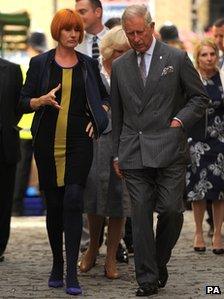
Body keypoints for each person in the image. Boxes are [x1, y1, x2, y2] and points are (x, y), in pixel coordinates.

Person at [111, 5, 209, 297]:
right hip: (133, 150)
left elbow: (199, 98)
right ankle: (147, 279)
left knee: (170, 211)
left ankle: (157, 261)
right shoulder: (120, 65)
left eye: (140, 32)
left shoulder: (176, 58)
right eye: (130, 34)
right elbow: (117, 113)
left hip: (169, 147)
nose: (136, 38)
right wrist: (116, 153)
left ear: (151, 27)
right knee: (140, 216)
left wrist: (180, 120)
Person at [19, 8, 109, 296]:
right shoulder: (40, 63)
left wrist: (99, 119)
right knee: (55, 204)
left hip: (79, 142)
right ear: (57, 31)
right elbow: (22, 101)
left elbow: (105, 99)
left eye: (77, 30)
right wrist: (39, 100)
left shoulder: (87, 65)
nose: (73, 34)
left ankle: (72, 270)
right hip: (46, 142)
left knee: (73, 198)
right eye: (68, 29)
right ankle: (57, 263)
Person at [79, 25, 130, 279]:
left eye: (127, 51)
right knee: (95, 196)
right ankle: (92, 250)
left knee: (120, 200)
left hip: (125, 140)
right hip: (97, 140)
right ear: (109, 50)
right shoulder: (92, 69)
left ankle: (111, 258)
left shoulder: (132, 71)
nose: (124, 55)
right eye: (120, 51)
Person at [186, 38, 224, 255]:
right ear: (197, 57)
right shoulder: (192, 79)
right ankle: (198, 232)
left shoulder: (222, 77)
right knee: (198, 190)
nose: (209, 58)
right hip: (198, 141)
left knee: (219, 191)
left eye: (212, 54)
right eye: (204, 54)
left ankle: (218, 233)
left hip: (220, 140)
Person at [13, 32, 47, 216]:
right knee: (46, 166)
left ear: (28, 47)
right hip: (42, 126)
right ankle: (47, 206)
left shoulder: (22, 67)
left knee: (21, 169)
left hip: (23, 128)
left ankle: (16, 207)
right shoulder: (47, 66)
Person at [0, 59, 23, 262]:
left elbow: (20, 105)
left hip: (5, 144)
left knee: (4, 198)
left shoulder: (12, 70)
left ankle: (0, 246)